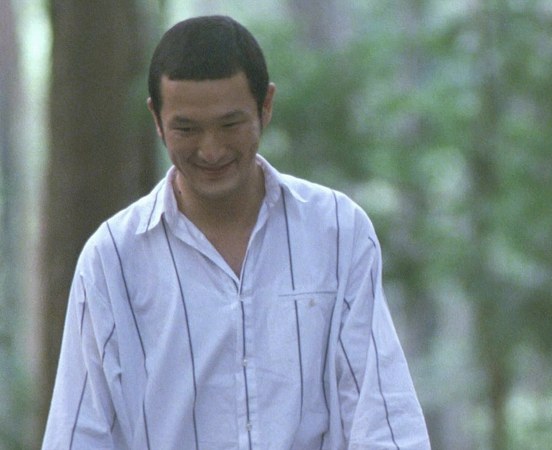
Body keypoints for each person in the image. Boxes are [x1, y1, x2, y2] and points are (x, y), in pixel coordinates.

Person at [42, 15, 430, 450]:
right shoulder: (112, 259)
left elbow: (383, 418)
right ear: (157, 118)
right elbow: (82, 431)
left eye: (230, 125)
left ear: (266, 106)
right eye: (187, 128)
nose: (211, 149)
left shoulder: (337, 231)